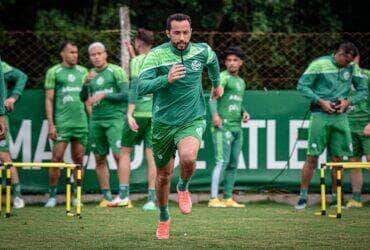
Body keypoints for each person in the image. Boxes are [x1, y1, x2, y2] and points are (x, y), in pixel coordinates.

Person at [138, 13, 223, 239]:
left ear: (191, 32)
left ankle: (184, 186)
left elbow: (213, 62)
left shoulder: (201, 50)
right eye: (176, 33)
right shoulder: (156, 55)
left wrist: (216, 84)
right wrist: (165, 79)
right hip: (163, 124)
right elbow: (141, 87)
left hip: (192, 118)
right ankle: (164, 217)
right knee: (163, 175)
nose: (182, 37)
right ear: (168, 33)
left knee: (188, 159)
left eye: (185, 32)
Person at [295, 42, 368, 210]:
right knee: (312, 157)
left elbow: (363, 90)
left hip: (340, 117)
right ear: (340, 54)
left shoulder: (352, 68)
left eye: (351, 62)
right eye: (347, 61)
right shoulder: (319, 64)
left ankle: (336, 198)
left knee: (337, 159)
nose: (349, 65)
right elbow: (302, 85)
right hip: (319, 115)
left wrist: (348, 101)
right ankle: (303, 197)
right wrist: (320, 101)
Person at [107, 29, 157, 210]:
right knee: (152, 156)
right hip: (156, 114)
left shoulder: (136, 61)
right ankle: (151, 200)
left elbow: (135, 87)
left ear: (138, 42)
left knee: (125, 152)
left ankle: (123, 196)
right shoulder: (160, 58)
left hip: (138, 113)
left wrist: (129, 113)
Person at [80, 42, 129, 207]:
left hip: (115, 119)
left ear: (105, 54)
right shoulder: (90, 74)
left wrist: (104, 96)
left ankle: (124, 195)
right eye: (93, 55)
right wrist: (85, 84)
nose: (96, 57)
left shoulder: (116, 71)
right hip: (96, 120)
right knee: (99, 158)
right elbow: (83, 98)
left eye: (99, 54)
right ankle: (107, 197)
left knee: (118, 156)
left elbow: (125, 95)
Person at [44, 41, 88, 207]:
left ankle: (77, 196)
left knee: (78, 160)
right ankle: (53, 196)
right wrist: (51, 124)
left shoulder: (83, 71)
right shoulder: (54, 72)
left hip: (81, 123)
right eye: (71, 52)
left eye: (76, 52)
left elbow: (87, 99)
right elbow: (49, 99)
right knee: (57, 158)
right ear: (62, 54)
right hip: (62, 123)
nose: (75, 55)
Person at [208, 47, 250, 208]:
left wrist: (244, 112)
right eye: (229, 60)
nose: (232, 63)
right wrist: (215, 116)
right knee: (221, 162)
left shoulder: (241, 82)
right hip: (223, 127)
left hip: (237, 128)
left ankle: (227, 197)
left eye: (235, 60)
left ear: (241, 63)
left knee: (233, 164)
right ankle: (213, 198)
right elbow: (212, 98)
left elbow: (237, 102)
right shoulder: (222, 78)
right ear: (225, 63)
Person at [0, 60, 27, 208]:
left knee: (3, 156)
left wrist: (13, 96)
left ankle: (17, 195)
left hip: (0, 116)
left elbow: (21, 76)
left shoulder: (2, 66)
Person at [346, 55, 370, 208]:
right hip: (348, 125)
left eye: (350, 58)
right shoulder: (340, 78)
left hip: (366, 124)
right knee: (353, 162)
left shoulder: (367, 76)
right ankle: (356, 199)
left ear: (357, 58)